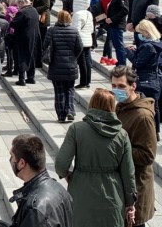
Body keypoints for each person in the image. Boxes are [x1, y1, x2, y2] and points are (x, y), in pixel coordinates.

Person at [54, 88, 137, 227]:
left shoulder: (77, 129)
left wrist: (67, 175)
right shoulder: (122, 135)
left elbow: (61, 163)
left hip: (81, 193)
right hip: (112, 195)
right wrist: (130, 202)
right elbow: (128, 173)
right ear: (112, 107)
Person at [111, 66, 156, 227]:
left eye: (121, 86)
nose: (117, 90)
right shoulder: (120, 107)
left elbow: (147, 155)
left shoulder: (142, 116)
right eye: (114, 86)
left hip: (136, 187)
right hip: (122, 185)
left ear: (133, 86)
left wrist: (118, 149)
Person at [0, 135, 72, 227]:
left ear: (21, 163)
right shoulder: (60, 189)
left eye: (12, 156)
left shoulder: (34, 209)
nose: (10, 160)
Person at [43, 11, 83, 123]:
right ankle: (70, 110)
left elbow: (44, 45)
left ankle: (61, 115)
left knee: (59, 91)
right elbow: (79, 47)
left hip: (56, 65)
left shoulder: (52, 30)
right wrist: (73, 57)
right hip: (71, 66)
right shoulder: (74, 31)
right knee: (70, 89)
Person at [125, 20, 162, 136]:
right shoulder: (156, 44)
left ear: (145, 32)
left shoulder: (148, 46)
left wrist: (128, 52)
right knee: (154, 107)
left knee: (143, 106)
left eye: (140, 33)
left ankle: (147, 131)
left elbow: (138, 62)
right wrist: (137, 50)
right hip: (155, 79)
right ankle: (155, 131)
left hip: (145, 79)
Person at [10, 0, 39, 85]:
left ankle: (21, 79)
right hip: (34, 36)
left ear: (21, 3)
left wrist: (12, 18)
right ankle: (31, 77)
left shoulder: (22, 12)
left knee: (22, 56)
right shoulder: (34, 10)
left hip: (23, 37)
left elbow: (14, 24)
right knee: (31, 56)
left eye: (18, 4)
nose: (18, 6)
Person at [106, 0, 130, 66]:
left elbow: (124, 10)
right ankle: (120, 62)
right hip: (114, 24)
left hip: (117, 24)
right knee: (117, 45)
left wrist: (112, 19)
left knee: (119, 45)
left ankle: (122, 63)